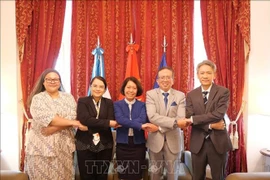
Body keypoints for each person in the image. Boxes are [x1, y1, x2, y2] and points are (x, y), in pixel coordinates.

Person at [25, 68, 82, 179]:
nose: (52, 81)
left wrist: (53, 129)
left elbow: (72, 115)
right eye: (49, 79)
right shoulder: (38, 99)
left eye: (56, 79)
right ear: (43, 82)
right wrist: (73, 122)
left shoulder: (68, 97)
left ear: (60, 82)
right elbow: (49, 118)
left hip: (64, 147)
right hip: (41, 148)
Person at [185, 60, 232, 180]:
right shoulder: (191, 95)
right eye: (202, 73)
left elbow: (218, 114)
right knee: (197, 177)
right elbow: (188, 116)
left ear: (214, 75)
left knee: (218, 177)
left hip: (218, 143)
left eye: (208, 73)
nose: (205, 76)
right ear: (197, 75)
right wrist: (210, 126)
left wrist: (194, 119)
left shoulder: (223, 92)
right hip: (198, 144)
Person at [146, 66, 189, 180]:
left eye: (168, 77)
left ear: (173, 80)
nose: (165, 80)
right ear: (157, 81)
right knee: (155, 175)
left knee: (172, 176)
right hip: (155, 142)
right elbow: (152, 116)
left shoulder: (180, 95)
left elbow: (181, 118)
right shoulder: (150, 94)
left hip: (174, 142)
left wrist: (159, 128)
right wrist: (175, 122)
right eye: (162, 77)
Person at [75, 76, 121, 180]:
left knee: (102, 175)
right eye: (95, 86)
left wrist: (89, 128)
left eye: (101, 86)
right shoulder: (83, 101)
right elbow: (85, 120)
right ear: (90, 87)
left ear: (105, 89)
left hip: (105, 143)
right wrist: (107, 122)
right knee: (86, 175)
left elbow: (110, 121)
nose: (98, 89)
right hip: (85, 143)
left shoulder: (108, 102)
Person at [114, 76, 159, 180]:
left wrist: (127, 122)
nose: (131, 90)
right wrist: (140, 126)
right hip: (122, 145)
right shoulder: (117, 104)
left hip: (138, 145)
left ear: (137, 89)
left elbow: (142, 119)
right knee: (123, 174)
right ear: (124, 89)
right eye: (128, 87)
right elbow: (120, 119)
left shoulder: (143, 105)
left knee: (137, 174)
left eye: (134, 88)